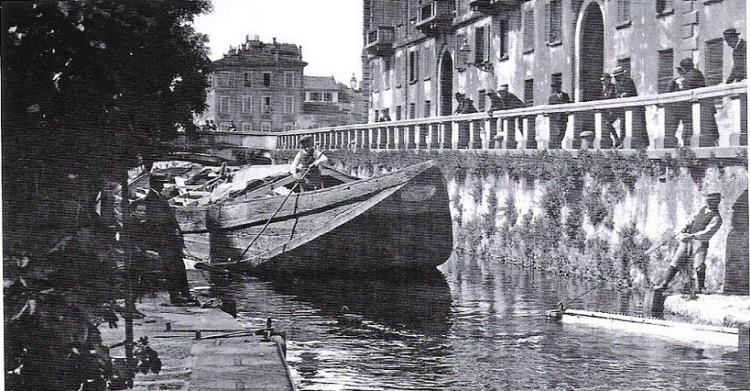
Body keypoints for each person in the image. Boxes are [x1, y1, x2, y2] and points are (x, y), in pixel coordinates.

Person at [131, 172, 194, 305]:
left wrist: (176, 233)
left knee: (179, 266)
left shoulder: (159, 198)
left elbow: (169, 219)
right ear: (154, 184)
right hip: (161, 240)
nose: (163, 186)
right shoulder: (151, 199)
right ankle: (175, 295)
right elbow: (159, 220)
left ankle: (185, 293)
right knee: (171, 267)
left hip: (169, 239)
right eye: (160, 183)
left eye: (162, 183)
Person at [654, 192, 723, 295]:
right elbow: (692, 219)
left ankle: (701, 288)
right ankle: (664, 284)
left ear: (716, 202)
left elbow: (708, 232)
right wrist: (685, 227)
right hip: (688, 239)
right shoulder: (702, 210)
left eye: (709, 201)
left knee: (699, 265)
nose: (707, 202)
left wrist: (693, 236)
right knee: (676, 261)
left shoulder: (716, 218)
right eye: (706, 200)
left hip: (700, 242)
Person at [665, 58, 718, 148]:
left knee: (692, 131)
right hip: (693, 110)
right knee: (691, 130)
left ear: (684, 68)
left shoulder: (693, 75)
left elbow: (686, 89)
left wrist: (680, 83)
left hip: (697, 109)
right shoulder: (693, 74)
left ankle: (690, 147)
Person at [611, 66, 649, 149]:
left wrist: (624, 95)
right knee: (623, 125)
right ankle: (622, 142)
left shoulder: (629, 81)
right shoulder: (617, 84)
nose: (616, 78)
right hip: (623, 108)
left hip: (635, 107)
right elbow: (616, 94)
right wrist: (619, 96)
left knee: (641, 125)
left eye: (618, 76)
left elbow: (631, 92)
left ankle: (644, 143)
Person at [598, 72, 620, 148]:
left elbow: (610, 96)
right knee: (608, 124)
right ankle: (616, 140)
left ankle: (617, 140)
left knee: (608, 123)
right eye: (602, 81)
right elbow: (601, 98)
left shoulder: (613, 87)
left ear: (609, 79)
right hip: (609, 110)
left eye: (604, 80)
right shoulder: (605, 89)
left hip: (616, 109)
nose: (602, 82)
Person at [547, 80, 571, 149]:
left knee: (563, 131)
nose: (557, 88)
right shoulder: (552, 97)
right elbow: (550, 107)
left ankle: (559, 144)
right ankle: (557, 146)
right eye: (556, 87)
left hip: (564, 117)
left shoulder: (565, 95)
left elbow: (569, 103)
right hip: (556, 118)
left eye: (558, 86)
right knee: (558, 132)